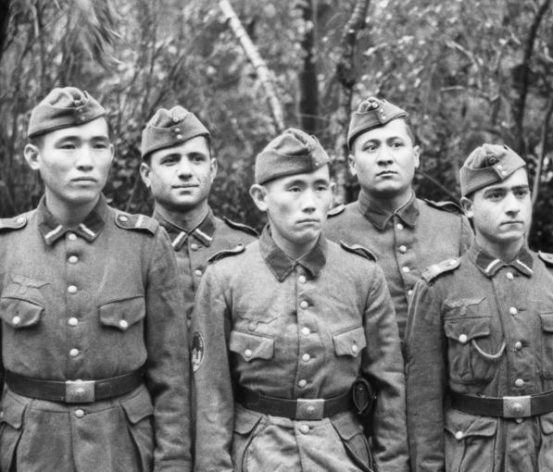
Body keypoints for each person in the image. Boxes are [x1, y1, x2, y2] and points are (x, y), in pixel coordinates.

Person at [191, 128, 408, 471]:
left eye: (320, 188)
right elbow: (211, 400)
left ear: (333, 194)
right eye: (294, 188)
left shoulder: (363, 274)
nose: (310, 202)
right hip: (258, 457)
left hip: (343, 455)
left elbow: (389, 389)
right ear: (261, 198)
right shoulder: (225, 278)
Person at [0, 87, 190, 471]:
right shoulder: (5, 246)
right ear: (34, 157)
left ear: (112, 155)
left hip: (121, 449)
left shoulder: (146, 244)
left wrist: (172, 465)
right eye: (68, 146)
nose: (86, 161)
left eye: (98, 145)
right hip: (29, 450)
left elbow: (171, 379)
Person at [406, 143, 553, 471]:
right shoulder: (438, 288)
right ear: (468, 207)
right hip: (474, 460)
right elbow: (424, 409)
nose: (512, 206)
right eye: (495, 195)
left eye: (520, 193)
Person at [324, 96, 473, 338]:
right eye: (371, 147)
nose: (385, 157)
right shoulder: (327, 233)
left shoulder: (454, 226)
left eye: (396, 144)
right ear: (352, 164)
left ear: (415, 156)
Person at [139, 105, 257, 326]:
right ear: (147, 174)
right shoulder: (133, 250)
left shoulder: (248, 248)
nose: (185, 171)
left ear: (212, 170)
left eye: (196, 159)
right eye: (170, 160)